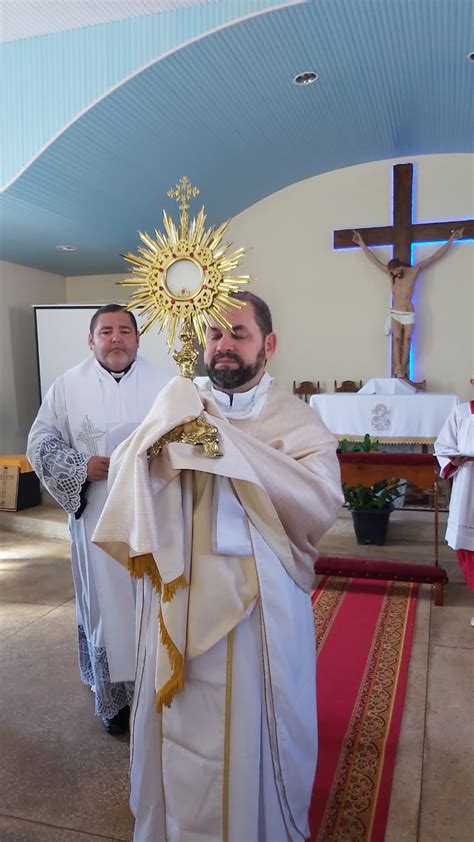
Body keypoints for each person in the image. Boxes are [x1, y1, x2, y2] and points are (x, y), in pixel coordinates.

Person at [93, 291, 343, 841]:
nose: (224, 346)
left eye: (239, 333)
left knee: (252, 727)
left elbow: (320, 503)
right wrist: (166, 453)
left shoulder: (295, 421)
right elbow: (132, 483)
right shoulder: (176, 403)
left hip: (260, 610)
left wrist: (225, 453)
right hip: (181, 599)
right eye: (214, 334)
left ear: (268, 345)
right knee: (184, 724)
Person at [27, 304, 170, 733]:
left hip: (155, 516)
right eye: (105, 331)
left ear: (138, 339)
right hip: (96, 515)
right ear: (91, 341)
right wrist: (78, 466)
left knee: (154, 603)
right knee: (107, 608)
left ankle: (158, 691)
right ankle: (114, 702)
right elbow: (39, 441)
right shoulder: (67, 387)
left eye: (125, 330)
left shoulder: (167, 384)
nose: (116, 338)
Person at [352, 228, 464, 378]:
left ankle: (403, 368)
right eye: (391, 272)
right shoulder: (390, 274)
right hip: (395, 312)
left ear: (400, 266)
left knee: (407, 339)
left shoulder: (413, 271)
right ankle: (397, 368)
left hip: (408, 311)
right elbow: (374, 260)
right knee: (397, 339)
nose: (394, 274)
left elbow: (434, 257)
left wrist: (452, 239)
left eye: (396, 271)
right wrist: (361, 243)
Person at [435, 398, 474, 625]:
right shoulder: (461, 413)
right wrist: (455, 461)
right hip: (468, 484)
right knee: (469, 547)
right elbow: (442, 446)